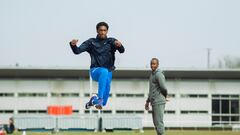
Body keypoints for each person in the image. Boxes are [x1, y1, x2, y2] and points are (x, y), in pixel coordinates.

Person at [69, 22, 125, 110]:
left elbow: (122, 51)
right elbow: (77, 51)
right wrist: (73, 45)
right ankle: (99, 98)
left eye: (104, 30)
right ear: (97, 31)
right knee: (103, 71)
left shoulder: (111, 41)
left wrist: (120, 45)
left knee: (104, 103)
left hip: (108, 72)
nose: (102, 32)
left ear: (107, 31)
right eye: (101, 30)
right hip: (95, 71)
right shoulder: (91, 42)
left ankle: (93, 101)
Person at [145, 58, 168, 135]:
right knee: (156, 123)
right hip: (154, 102)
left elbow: (163, 87)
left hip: (159, 101)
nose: (152, 65)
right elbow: (151, 90)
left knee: (159, 123)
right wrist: (147, 101)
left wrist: (165, 95)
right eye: (151, 63)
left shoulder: (159, 74)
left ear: (158, 65)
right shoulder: (152, 74)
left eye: (154, 64)